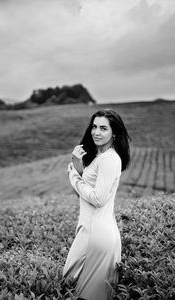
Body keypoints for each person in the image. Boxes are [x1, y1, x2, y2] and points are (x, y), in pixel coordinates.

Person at [63, 109, 131, 300]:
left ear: (114, 133)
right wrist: (78, 165)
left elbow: (98, 199)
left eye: (103, 128)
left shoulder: (110, 159)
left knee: (72, 284)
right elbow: (89, 192)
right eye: (94, 126)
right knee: (75, 288)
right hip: (92, 229)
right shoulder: (101, 157)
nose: (96, 132)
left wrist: (74, 176)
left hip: (97, 235)